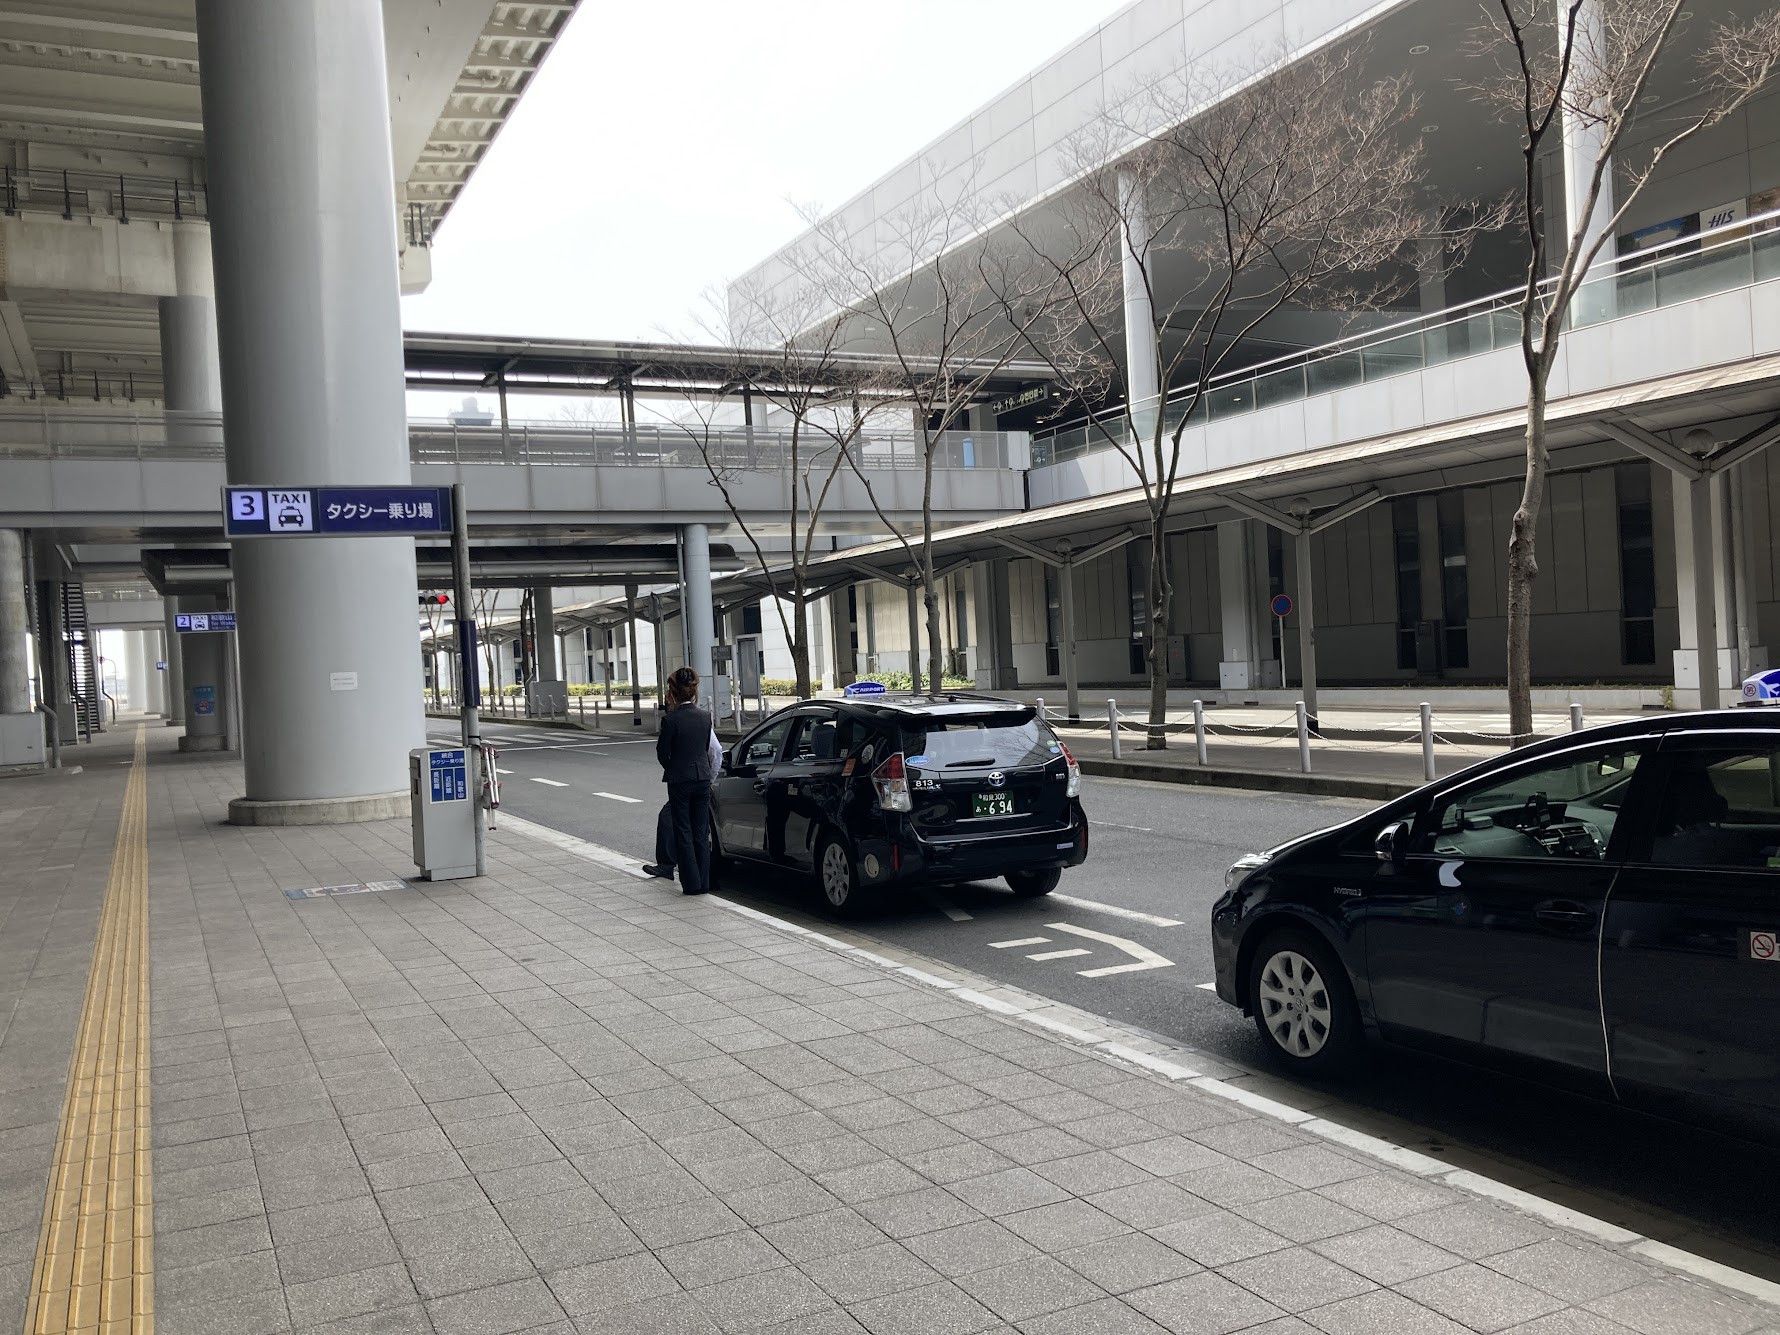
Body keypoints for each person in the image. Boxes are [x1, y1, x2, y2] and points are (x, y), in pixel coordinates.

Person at [652, 667, 715, 894]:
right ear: (694, 691)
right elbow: (708, 749)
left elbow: (662, 753)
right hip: (702, 778)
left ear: (673, 693)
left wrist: (674, 768)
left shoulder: (671, 720)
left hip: (680, 780)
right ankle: (704, 883)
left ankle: (691, 885)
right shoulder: (705, 717)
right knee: (701, 832)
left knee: (683, 831)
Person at [644, 726, 723, 881]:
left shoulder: (693, 720)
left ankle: (692, 873)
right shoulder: (695, 719)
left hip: (693, 781)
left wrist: (710, 779)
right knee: (677, 821)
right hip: (696, 780)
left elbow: (716, 751)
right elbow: (716, 751)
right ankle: (672, 867)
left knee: (692, 828)